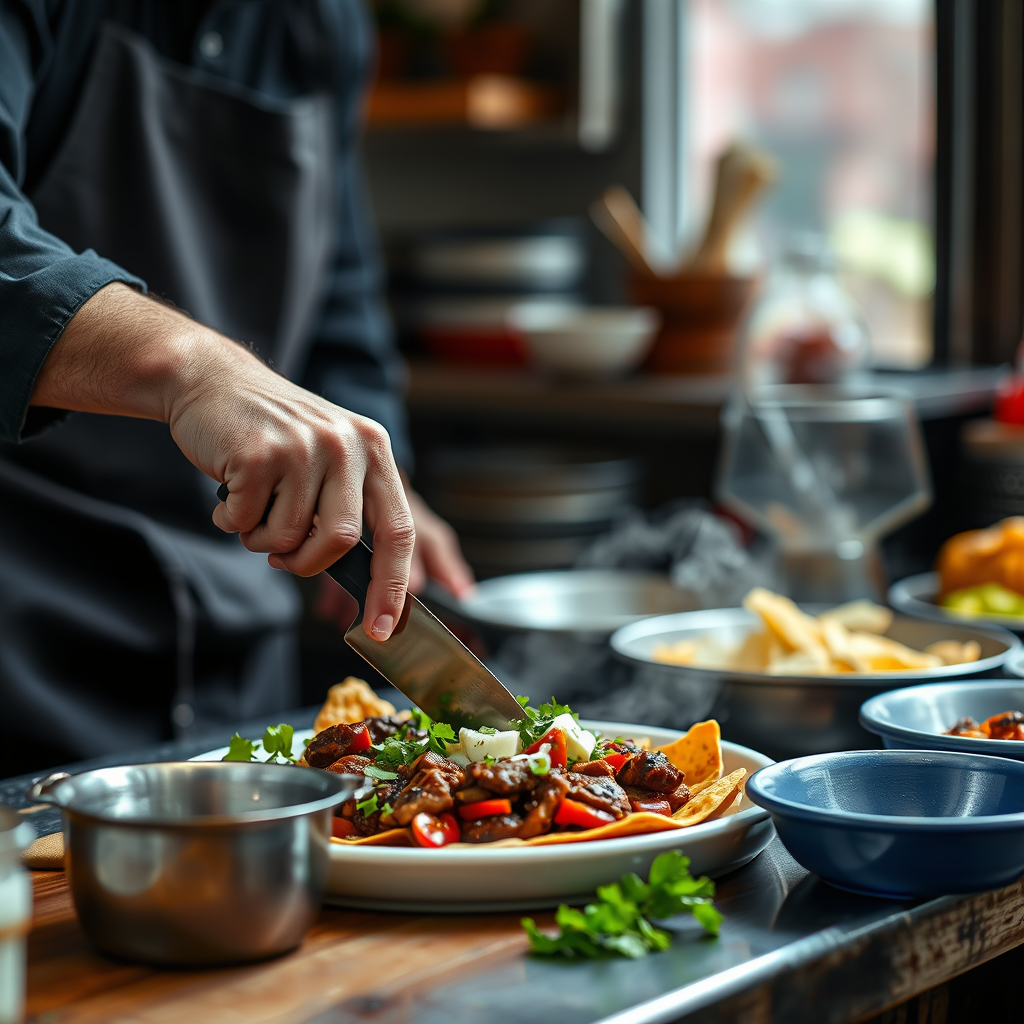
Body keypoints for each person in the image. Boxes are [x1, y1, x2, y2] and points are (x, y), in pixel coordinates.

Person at [0, 0, 473, 777]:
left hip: (237, 654)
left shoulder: (323, 21)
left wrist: (368, 480)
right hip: (23, 630)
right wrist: (195, 367)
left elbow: (336, 290)